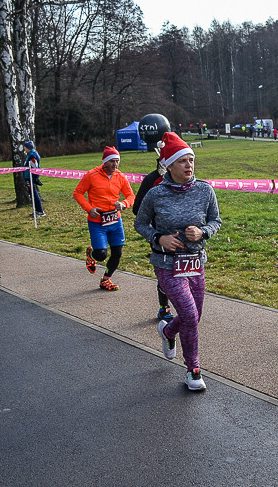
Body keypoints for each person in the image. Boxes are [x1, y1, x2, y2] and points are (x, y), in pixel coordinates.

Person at [135, 133, 221, 391]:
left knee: (194, 316)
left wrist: (203, 232)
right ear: (169, 165)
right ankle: (193, 369)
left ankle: (168, 332)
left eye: (191, 160)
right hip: (167, 265)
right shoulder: (155, 194)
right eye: (182, 161)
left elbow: (216, 221)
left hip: (195, 263)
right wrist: (159, 237)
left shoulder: (205, 190)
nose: (188, 166)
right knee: (189, 314)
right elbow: (140, 223)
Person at [73, 146, 134, 291]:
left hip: (115, 221)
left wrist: (124, 204)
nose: (115, 164)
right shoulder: (91, 175)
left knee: (117, 252)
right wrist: (89, 208)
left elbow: (131, 196)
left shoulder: (120, 176)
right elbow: (78, 193)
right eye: (112, 161)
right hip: (97, 222)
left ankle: (106, 279)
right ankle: (91, 254)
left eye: (117, 161)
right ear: (105, 162)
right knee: (101, 255)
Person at [132, 154, 175, 322]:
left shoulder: (187, 181)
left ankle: (185, 303)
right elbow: (137, 210)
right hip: (160, 235)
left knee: (180, 273)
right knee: (166, 271)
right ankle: (164, 307)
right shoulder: (151, 180)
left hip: (185, 236)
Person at [23, 141, 45, 216]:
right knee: (32, 194)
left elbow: (35, 167)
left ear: (28, 148)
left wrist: (35, 178)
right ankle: (37, 210)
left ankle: (40, 211)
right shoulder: (30, 154)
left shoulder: (32, 155)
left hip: (31, 177)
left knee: (34, 194)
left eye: (25, 147)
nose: (24, 148)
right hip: (28, 176)